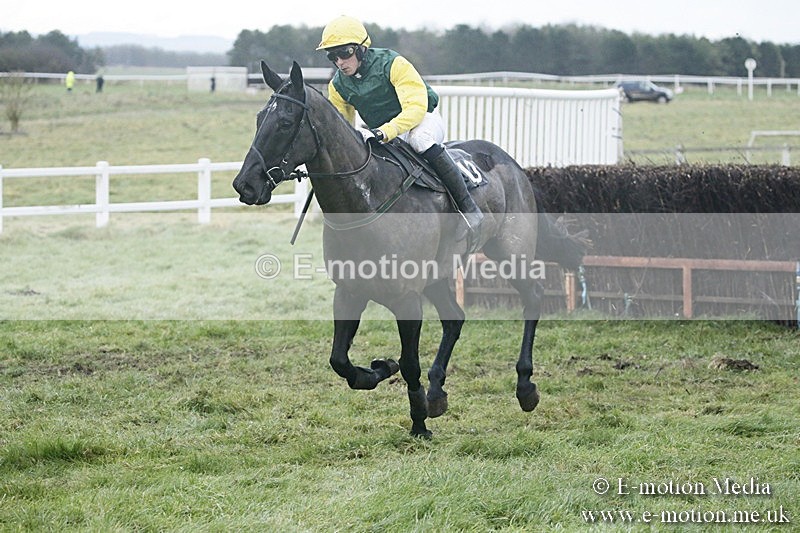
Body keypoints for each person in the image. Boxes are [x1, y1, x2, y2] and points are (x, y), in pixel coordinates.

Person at [317, 15, 483, 240]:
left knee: (420, 141)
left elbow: (415, 108)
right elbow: (342, 128)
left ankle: (468, 209)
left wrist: (384, 132)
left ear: (361, 49)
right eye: (332, 56)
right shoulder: (337, 86)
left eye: (344, 53)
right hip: (385, 132)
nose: (339, 62)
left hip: (422, 119)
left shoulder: (393, 63)